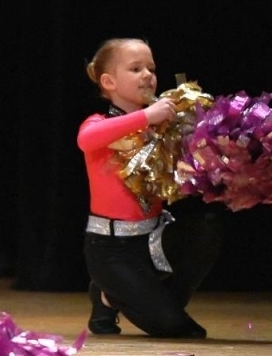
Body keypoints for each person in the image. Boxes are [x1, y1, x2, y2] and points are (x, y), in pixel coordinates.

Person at [78, 38, 219, 338]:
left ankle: (131, 299)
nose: (147, 75)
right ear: (109, 82)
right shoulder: (99, 122)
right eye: (136, 69)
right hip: (111, 250)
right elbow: (86, 139)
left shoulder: (163, 128)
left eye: (151, 69)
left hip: (154, 240)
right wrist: (145, 116)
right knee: (176, 328)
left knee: (206, 228)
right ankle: (110, 294)